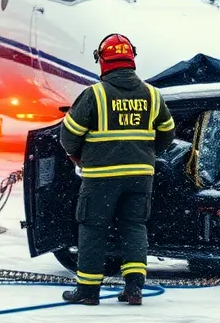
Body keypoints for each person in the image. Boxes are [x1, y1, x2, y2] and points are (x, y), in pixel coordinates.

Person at [58, 34, 175, 305]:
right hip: (140, 176)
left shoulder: (94, 95)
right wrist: (147, 154)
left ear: (102, 61)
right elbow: (167, 133)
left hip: (101, 177)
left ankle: (88, 291)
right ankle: (134, 289)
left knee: (92, 228)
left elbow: (69, 134)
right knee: (134, 226)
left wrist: (77, 157)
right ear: (132, 58)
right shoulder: (152, 94)